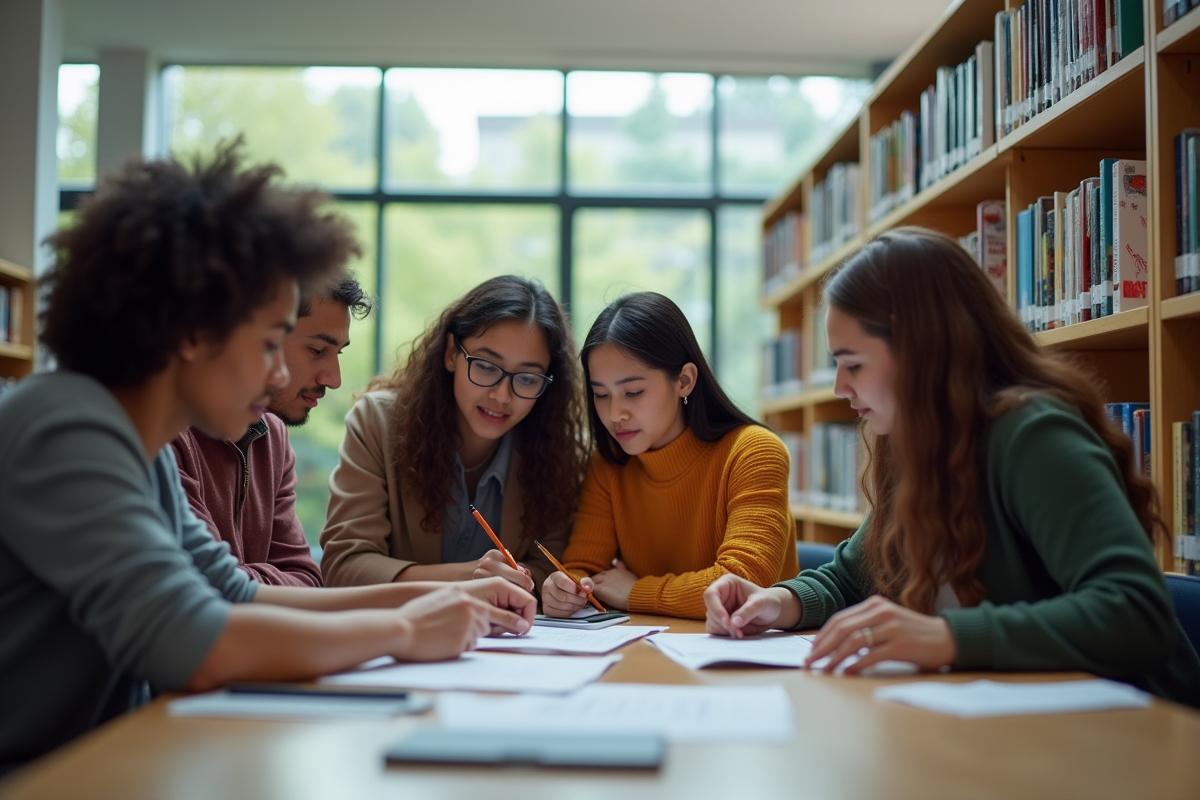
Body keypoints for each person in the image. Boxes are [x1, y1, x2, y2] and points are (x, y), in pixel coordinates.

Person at [0, 145, 534, 769]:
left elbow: (233, 595)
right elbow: (192, 640)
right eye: (270, 343)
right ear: (191, 331)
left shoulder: (135, 448)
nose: (281, 370)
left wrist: (425, 603)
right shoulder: (65, 426)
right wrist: (407, 631)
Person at [704, 226, 1200, 707]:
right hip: (1020, 729)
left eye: (853, 364)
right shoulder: (918, 440)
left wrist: (945, 637)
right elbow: (851, 578)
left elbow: (1136, 615)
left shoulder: (1033, 435)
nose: (839, 388)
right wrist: (776, 603)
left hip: (1140, 735)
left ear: (922, 351)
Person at [320, 275, 589, 595]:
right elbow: (345, 567)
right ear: (451, 353)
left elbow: (548, 564)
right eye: (487, 367)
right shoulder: (377, 422)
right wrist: (469, 577)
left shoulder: (559, 452)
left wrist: (555, 590)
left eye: (528, 378)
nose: (502, 396)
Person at [541, 291, 799, 620]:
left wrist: (636, 592)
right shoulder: (608, 465)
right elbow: (585, 571)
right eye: (600, 394)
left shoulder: (754, 452)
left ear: (685, 381)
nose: (614, 413)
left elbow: (743, 584)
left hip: (752, 655)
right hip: (652, 650)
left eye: (633, 392)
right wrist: (564, 589)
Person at [170, 270, 372, 586]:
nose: (334, 379)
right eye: (317, 350)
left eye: (337, 353)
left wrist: (240, 579)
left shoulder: (271, 435)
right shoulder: (162, 436)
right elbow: (204, 587)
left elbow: (307, 578)